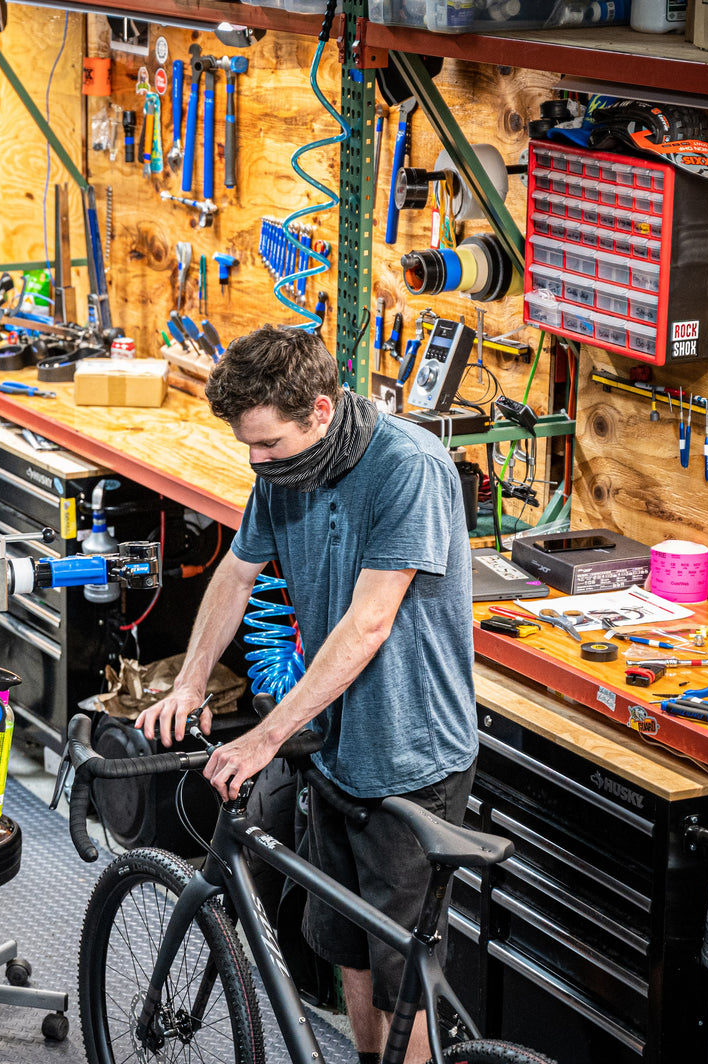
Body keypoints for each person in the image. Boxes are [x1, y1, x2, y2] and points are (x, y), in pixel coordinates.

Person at [135, 325, 477, 1064]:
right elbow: (237, 570)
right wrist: (191, 679)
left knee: (402, 983)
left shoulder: (407, 468)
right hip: (333, 749)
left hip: (411, 757)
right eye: (247, 447)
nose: (256, 463)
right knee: (344, 948)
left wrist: (262, 738)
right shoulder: (284, 471)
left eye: (268, 446)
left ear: (320, 411)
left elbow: (369, 623)